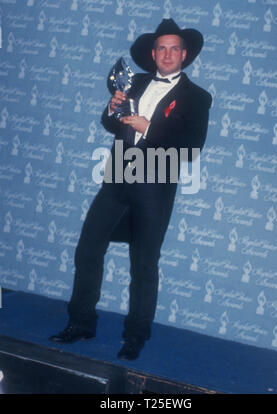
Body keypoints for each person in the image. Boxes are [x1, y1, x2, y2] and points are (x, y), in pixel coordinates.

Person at [50, 18, 212, 360]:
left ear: (184, 54)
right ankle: (81, 322)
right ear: (153, 54)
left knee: (144, 264)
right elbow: (112, 123)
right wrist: (111, 110)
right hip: (118, 178)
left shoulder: (197, 97)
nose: (167, 55)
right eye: (161, 48)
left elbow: (191, 145)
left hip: (155, 185)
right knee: (88, 249)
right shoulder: (135, 82)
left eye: (174, 49)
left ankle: (136, 335)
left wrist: (149, 128)